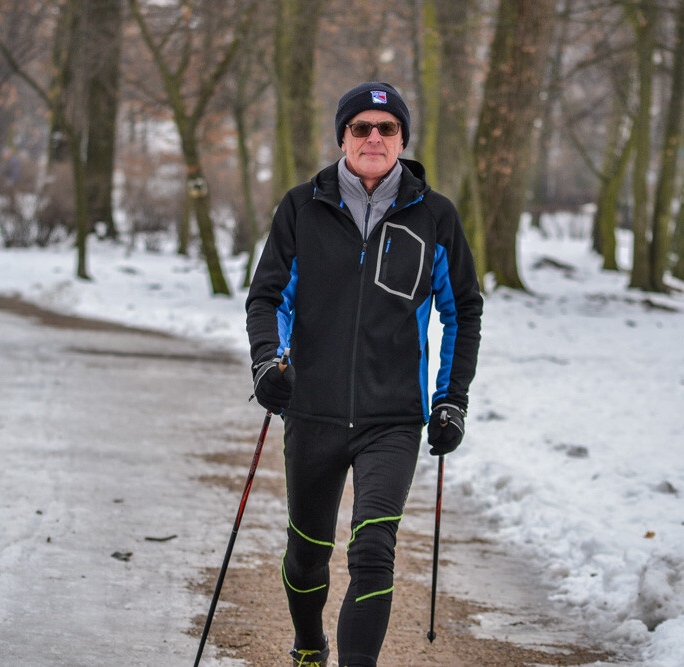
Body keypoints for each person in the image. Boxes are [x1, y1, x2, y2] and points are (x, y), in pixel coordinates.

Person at [246, 82, 482, 667]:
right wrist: (269, 361)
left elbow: (462, 310)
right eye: (361, 127)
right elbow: (268, 297)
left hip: (393, 418)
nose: (374, 137)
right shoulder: (302, 207)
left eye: (387, 128)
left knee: (374, 550)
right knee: (308, 552)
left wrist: (451, 400)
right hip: (312, 409)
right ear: (343, 137)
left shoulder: (435, 216)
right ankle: (308, 644)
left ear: (402, 139)